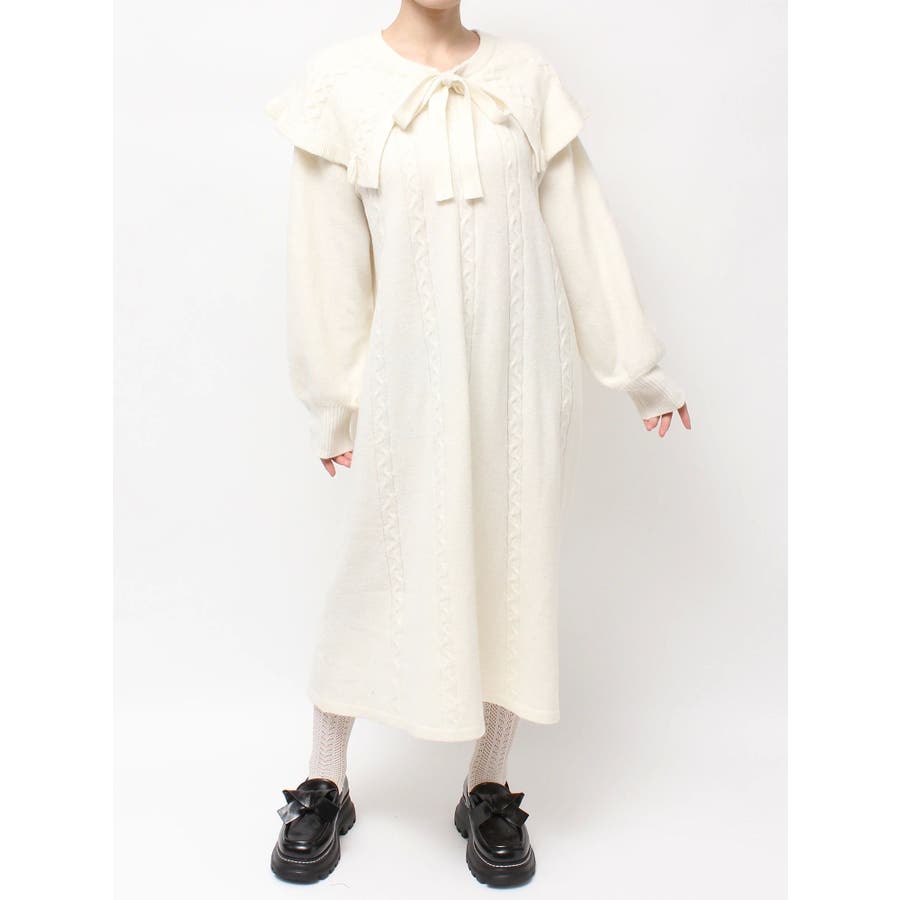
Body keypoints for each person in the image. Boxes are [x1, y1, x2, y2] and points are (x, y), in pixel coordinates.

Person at [264, 0, 691, 887]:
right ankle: (325, 777)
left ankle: (488, 783)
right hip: (405, 385)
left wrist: (639, 369)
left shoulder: (524, 78)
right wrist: (334, 401)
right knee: (371, 568)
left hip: (522, 376)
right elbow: (324, 260)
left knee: (512, 566)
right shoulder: (339, 84)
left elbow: (582, 230)